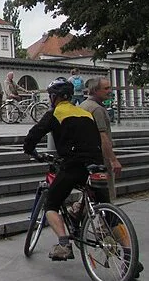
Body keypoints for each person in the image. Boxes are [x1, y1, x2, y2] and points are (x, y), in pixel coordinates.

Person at [23, 78, 103, 261]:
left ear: (54, 97)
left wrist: (31, 152)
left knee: (51, 203)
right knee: (105, 209)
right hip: (96, 164)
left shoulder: (56, 113)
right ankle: (130, 255)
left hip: (73, 164)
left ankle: (64, 245)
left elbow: (33, 136)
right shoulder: (85, 113)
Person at [80, 77, 144, 278]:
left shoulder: (82, 106)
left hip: (85, 161)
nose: (110, 91)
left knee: (89, 203)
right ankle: (128, 256)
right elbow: (103, 137)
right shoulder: (98, 110)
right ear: (95, 90)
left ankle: (87, 223)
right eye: (106, 88)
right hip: (100, 163)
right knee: (109, 211)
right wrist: (113, 160)